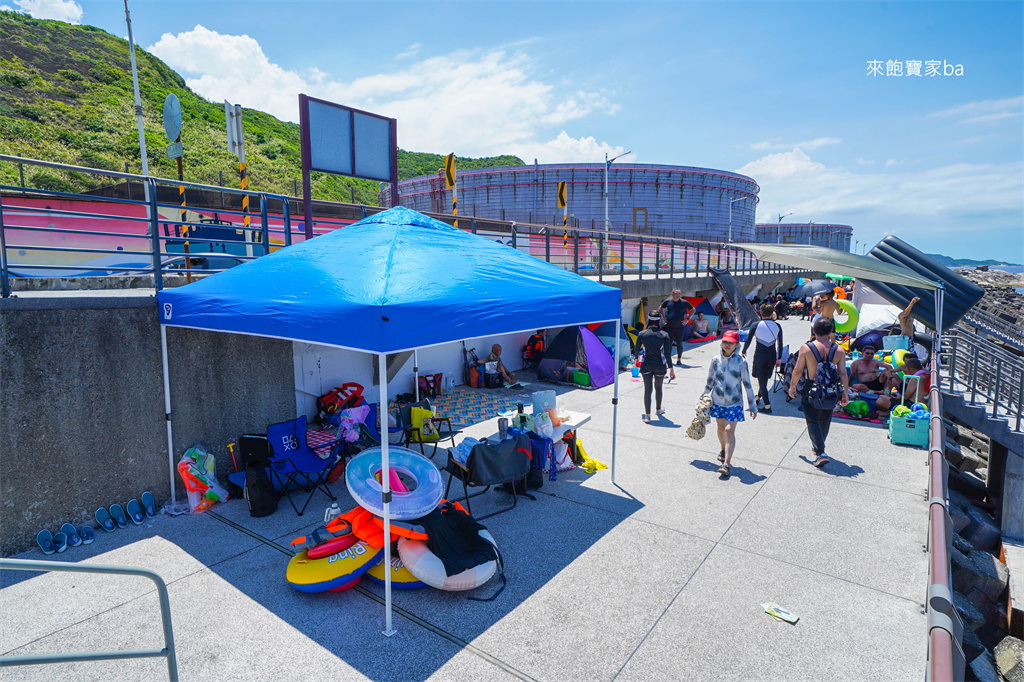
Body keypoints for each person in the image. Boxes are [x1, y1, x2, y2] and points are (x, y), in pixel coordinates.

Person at [788, 316, 850, 468]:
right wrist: (845, 393)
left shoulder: (806, 348)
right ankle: (818, 447)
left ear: (814, 330)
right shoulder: (839, 350)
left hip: (811, 387)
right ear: (830, 331)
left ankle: (820, 451)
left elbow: (798, 370)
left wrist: (792, 386)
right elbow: (843, 374)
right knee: (825, 419)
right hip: (831, 389)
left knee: (812, 420)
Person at [703, 330, 757, 479]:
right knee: (720, 428)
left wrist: (752, 405)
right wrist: (704, 397)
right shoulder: (715, 360)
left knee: (728, 431)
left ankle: (726, 464)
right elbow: (710, 381)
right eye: (725, 341)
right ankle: (723, 449)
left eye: (730, 343)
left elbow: (747, 384)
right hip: (718, 401)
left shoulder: (741, 362)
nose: (727, 345)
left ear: (737, 345)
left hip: (734, 403)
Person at [742, 303, 784, 413]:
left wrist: (743, 351)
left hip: (760, 355)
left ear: (761, 312)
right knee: (764, 379)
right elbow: (780, 343)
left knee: (762, 381)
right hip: (772, 355)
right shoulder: (778, 326)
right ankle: (758, 398)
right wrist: (779, 357)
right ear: (772, 313)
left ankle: (767, 406)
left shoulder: (756, 325)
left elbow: (748, 340)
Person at [636, 313, 675, 423]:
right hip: (659, 365)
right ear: (659, 321)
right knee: (658, 387)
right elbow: (667, 353)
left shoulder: (642, 334)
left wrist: (635, 359)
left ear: (648, 319)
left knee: (647, 390)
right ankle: (658, 410)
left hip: (646, 364)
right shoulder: (664, 335)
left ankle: (647, 416)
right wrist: (671, 368)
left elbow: (636, 349)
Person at [660, 289, 689, 364]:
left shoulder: (683, 302)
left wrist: (687, 319)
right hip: (669, 326)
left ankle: (679, 359)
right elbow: (661, 308)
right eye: (676, 293)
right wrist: (663, 318)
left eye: (679, 293)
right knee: (668, 343)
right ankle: (668, 359)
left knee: (679, 343)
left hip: (680, 326)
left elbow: (693, 309)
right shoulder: (668, 302)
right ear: (672, 294)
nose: (678, 295)